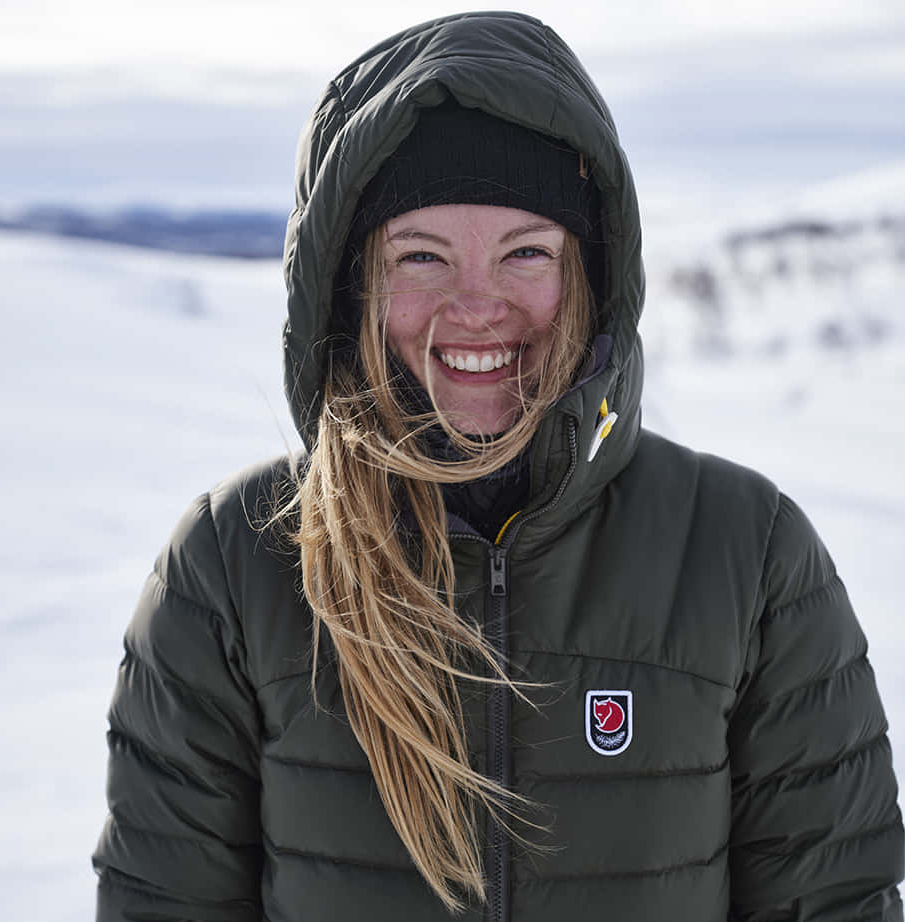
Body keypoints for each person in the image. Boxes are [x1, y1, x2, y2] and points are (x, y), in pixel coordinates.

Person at [92, 11, 904, 922]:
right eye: (421, 257)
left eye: (525, 253)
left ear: (589, 276)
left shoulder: (746, 553)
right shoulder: (232, 567)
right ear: (353, 285)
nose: (476, 308)